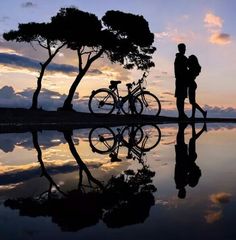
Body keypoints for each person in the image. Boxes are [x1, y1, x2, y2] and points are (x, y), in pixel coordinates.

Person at [188, 55, 207, 119]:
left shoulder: (193, 69)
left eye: (190, 59)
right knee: (193, 102)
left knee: (192, 102)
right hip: (192, 84)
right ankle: (194, 115)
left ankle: (203, 112)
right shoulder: (194, 68)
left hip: (192, 85)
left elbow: (190, 76)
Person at [174, 43, 188, 119]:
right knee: (180, 97)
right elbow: (178, 71)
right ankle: (181, 114)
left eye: (185, 48)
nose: (185, 50)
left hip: (183, 80)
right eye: (183, 48)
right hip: (180, 80)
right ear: (180, 49)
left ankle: (181, 113)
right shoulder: (179, 58)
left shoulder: (183, 58)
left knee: (181, 98)